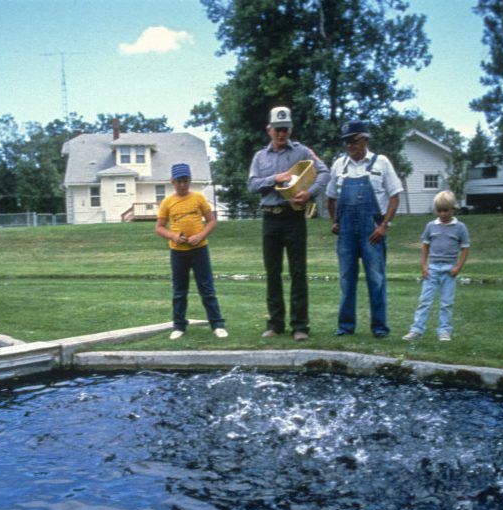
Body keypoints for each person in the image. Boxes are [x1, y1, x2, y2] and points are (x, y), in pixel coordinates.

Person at [247, 106, 329, 341]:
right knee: (272, 272)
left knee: (298, 272)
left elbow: (324, 173)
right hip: (270, 218)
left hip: (293, 218)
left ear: (291, 129)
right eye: (277, 130)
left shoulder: (303, 152)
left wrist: (310, 193)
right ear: (269, 130)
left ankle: (300, 326)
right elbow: (252, 185)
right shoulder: (260, 157)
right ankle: (275, 324)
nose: (282, 134)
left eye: (285, 129)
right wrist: (275, 178)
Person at [326, 120, 403, 338]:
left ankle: (379, 328)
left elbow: (395, 196)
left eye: (354, 140)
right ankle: (345, 327)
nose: (350, 145)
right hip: (347, 233)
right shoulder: (339, 166)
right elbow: (330, 198)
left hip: (373, 231)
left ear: (365, 139)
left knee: (376, 279)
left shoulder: (382, 163)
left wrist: (384, 225)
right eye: (346, 142)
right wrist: (334, 221)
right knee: (346, 280)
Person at [156, 162, 228, 340]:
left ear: (190, 180)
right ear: (172, 181)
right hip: (178, 252)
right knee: (179, 291)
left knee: (207, 288)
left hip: (199, 250)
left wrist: (200, 235)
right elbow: (159, 228)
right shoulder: (167, 202)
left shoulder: (198, 198)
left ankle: (217, 324)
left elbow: (211, 221)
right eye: (179, 181)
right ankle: (179, 325)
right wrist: (173, 236)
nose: (182, 185)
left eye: (186, 181)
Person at [402, 190, 471, 342]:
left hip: (449, 270)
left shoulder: (460, 228)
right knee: (424, 300)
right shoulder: (430, 226)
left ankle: (444, 331)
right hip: (432, 268)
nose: (443, 214)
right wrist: (424, 266)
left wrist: (458, 267)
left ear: (453, 209)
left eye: (446, 210)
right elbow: (425, 246)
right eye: (439, 211)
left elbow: (465, 248)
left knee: (446, 303)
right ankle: (416, 330)